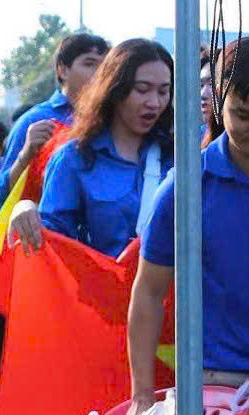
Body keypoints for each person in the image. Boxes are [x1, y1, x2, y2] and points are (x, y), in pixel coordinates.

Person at [127, 35, 249, 408]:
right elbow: (147, 293)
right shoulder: (186, 188)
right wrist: (142, 396)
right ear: (218, 102)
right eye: (244, 115)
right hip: (213, 385)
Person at [10, 37, 174, 256]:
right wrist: (26, 210)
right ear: (114, 89)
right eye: (142, 90)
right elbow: (52, 248)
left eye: (163, 92)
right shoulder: (74, 158)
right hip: (96, 288)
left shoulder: (181, 157)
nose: (154, 102)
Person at [0, 30, 111, 228]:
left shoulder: (111, 120)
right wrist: (25, 155)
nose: (99, 74)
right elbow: (2, 195)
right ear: (62, 70)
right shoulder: (34, 121)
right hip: (46, 237)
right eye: (89, 64)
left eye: (105, 67)